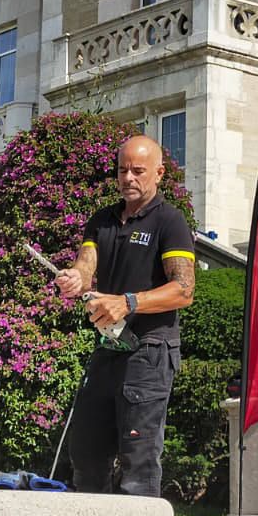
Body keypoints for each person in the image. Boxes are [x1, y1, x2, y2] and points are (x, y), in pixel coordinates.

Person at [54, 136, 196, 496]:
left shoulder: (170, 221)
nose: (128, 178)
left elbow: (184, 290)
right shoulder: (102, 220)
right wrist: (75, 278)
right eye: (122, 170)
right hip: (109, 348)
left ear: (159, 173)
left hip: (150, 351)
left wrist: (128, 302)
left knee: (138, 461)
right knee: (85, 452)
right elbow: (86, 266)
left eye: (138, 170)